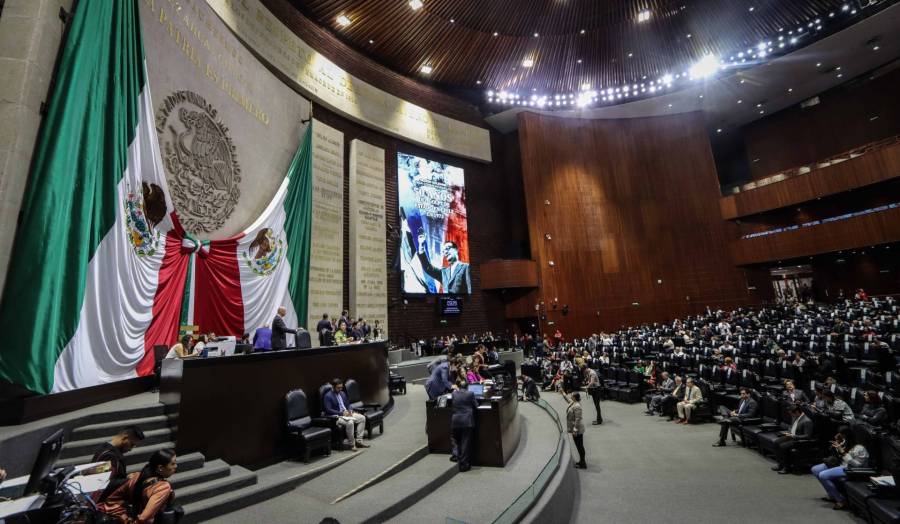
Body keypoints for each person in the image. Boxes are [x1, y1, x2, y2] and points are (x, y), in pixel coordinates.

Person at [99, 449, 178, 524]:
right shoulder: (163, 487)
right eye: (173, 464)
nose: (176, 466)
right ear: (160, 468)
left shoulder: (136, 476)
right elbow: (144, 518)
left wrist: (126, 520)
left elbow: (112, 500)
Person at [811, 428, 870, 510]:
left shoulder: (859, 448)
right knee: (815, 469)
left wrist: (843, 452)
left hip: (851, 470)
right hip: (841, 464)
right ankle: (832, 494)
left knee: (823, 475)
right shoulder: (846, 443)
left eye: (842, 436)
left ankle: (840, 500)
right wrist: (837, 447)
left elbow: (858, 465)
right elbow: (838, 456)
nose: (841, 438)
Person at [92, 426, 146, 502]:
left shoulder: (106, 449)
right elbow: (102, 483)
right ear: (125, 437)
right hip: (106, 504)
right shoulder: (109, 455)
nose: (131, 449)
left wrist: (126, 477)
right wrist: (128, 480)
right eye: (131, 444)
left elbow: (112, 476)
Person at [323, 379, 369, 451]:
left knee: (362, 418)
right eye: (338, 388)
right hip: (337, 416)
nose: (340, 389)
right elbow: (328, 410)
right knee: (350, 422)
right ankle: (352, 444)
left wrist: (350, 411)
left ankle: (359, 441)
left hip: (347, 413)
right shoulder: (328, 396)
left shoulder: (342, 393)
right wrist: (341, 413)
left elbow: (348, 404)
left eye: (341, 387)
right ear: (333, 387)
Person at [771, 404, 815, 474]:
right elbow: (791, 427)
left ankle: (787, 467)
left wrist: (793, 436)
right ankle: (780, 464)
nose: (791, 415)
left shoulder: (807, 421)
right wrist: (788, 433)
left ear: (797, 412)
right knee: (776, 443)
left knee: (783, 446)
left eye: (792, 414)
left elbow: (807, 436)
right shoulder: (795, 417)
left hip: (798, 440)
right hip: (790, 436)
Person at [450, 381, 480, 472]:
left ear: (458, 386)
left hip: (456, 420)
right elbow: (476, 405)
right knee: (465, 443)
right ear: (467, 387)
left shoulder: (454, 394)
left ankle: (456, 455)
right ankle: (464, 465)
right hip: (466, 421)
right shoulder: (470, 393)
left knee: (456, 440)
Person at [562, 390, 587, 469]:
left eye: (571, 395)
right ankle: (581, 461)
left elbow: (578, 418)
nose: (570, 396)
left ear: (574, 397)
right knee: (578, 445)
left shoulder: (577, 406)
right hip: (574, 428)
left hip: (578, 429)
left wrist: (575, 429)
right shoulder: (573, 403)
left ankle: (583, 463)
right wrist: (563, 393)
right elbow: (568, 400)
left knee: (580, 446)